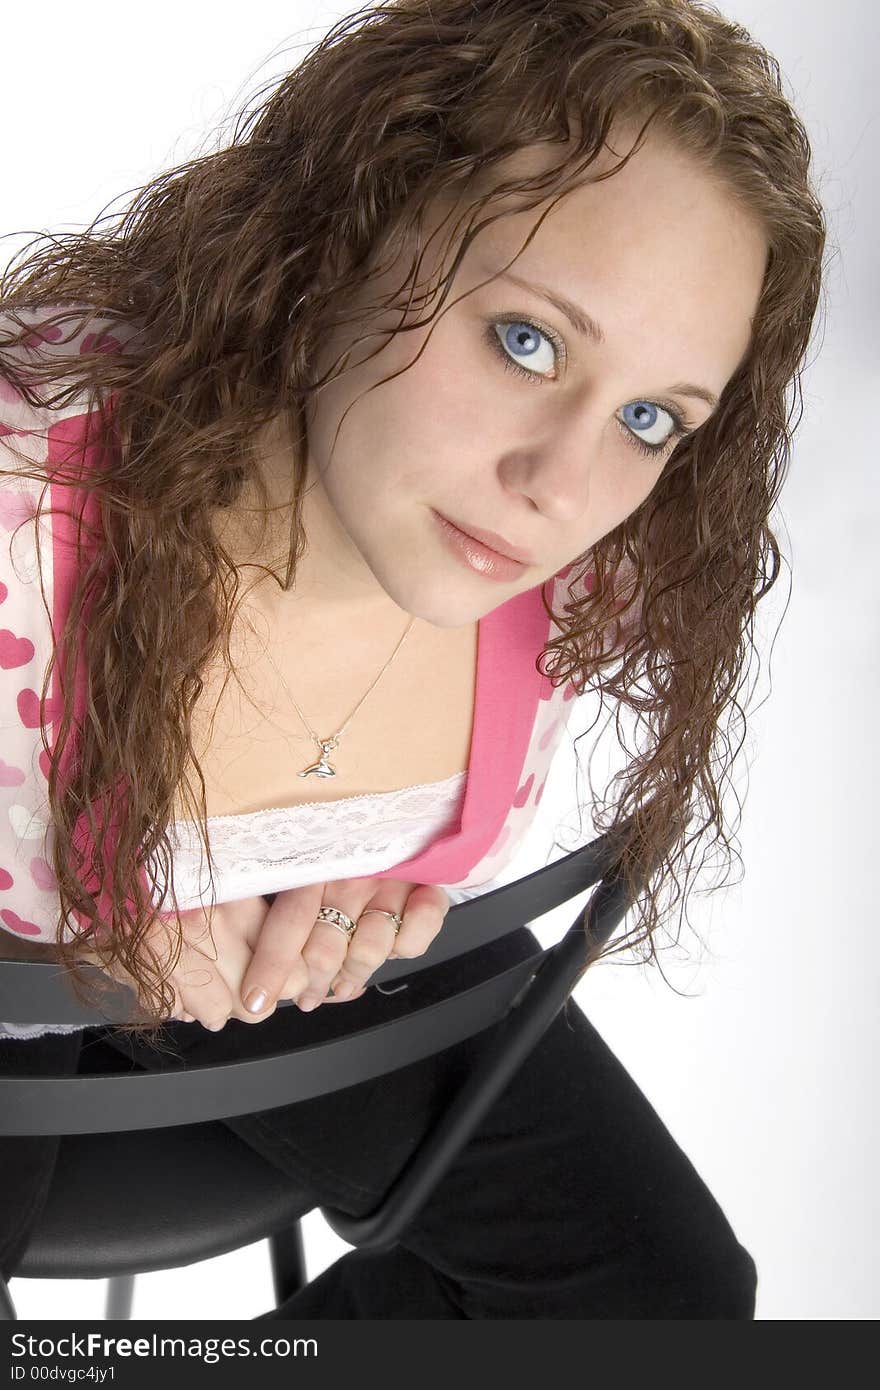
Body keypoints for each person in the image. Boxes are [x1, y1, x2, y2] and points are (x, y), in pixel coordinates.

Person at [0, 0, 825, 1319]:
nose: (560, 485)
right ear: (343, 232)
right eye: (526, 340)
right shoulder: (22, 510)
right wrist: (72, 934)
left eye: (652, 418)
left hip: (279, 979)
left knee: (660, 1299)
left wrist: (362, 882)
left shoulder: (561, 584)